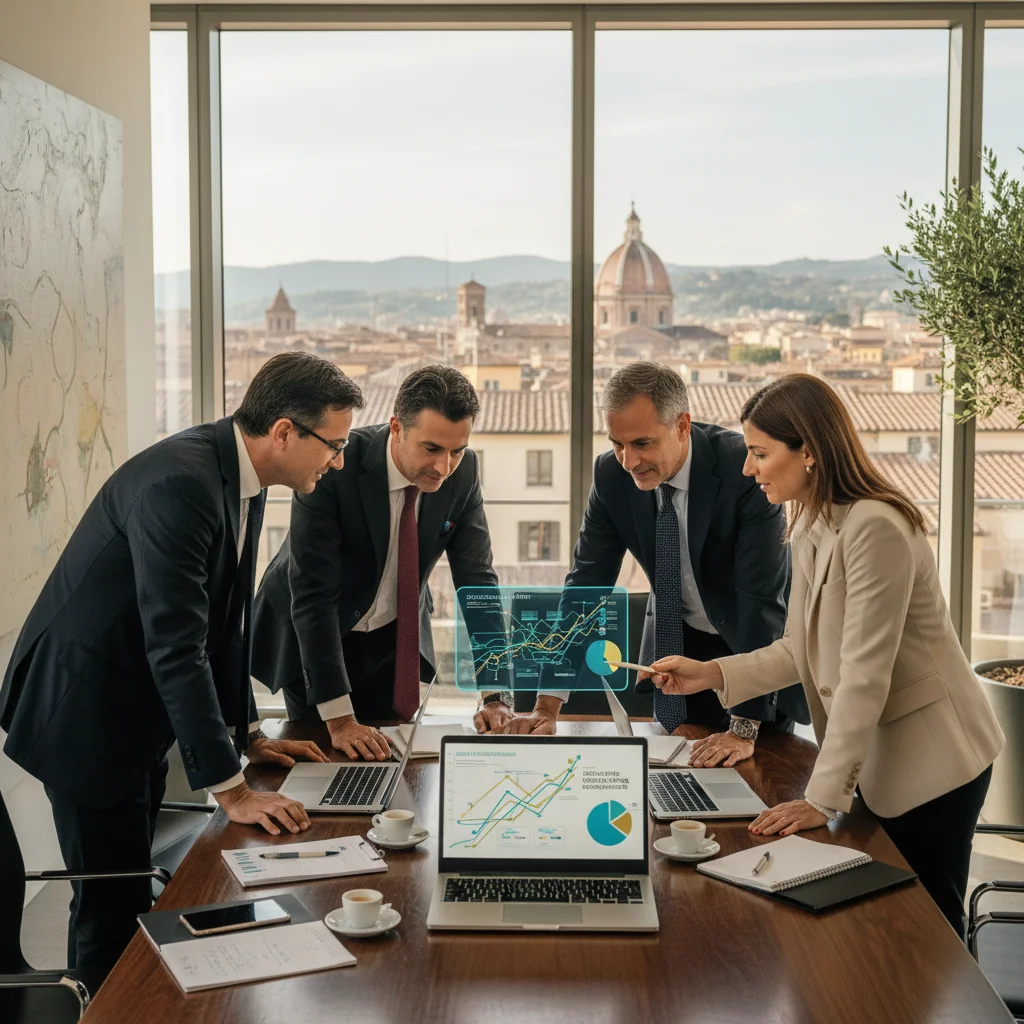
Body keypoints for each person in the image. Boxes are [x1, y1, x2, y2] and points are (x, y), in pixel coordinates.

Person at [0, 352, 363, 986]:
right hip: (83, 712)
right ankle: (101, 1005)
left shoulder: (239, 474)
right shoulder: (183, 483)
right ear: (284, 432)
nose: (336, 461)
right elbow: (176, 645)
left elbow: (227, 625)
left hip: (131, 709)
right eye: (332, 445)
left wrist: (248, 734)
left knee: (133, 889)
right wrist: (232, 790)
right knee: (109, 904)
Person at [648, 372, 1004, 937]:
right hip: (885, 757)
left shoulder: (876, 527)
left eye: (761, 453)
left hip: (937, 760)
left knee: (930, 931)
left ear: (808, 451)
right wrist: (710, 673)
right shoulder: (814, 521)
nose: (748, 468)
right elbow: (799, 649)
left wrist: (821, 799)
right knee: (887, 930)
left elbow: (865, 675)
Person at [475, 361, 808, 761]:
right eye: (618, 443)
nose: (628, 460)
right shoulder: (611, 476)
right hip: (679, 650)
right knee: (676, 784)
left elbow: (760, 601)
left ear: (682, 426)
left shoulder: (745, 470)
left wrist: (743, 727)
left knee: (757, 784)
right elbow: (585, 587)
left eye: (642, 443)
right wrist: (546, 707)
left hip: (756, 655)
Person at [252, 364, 500, 760]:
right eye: (432, 448)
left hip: (392, 635)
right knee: (325, 759)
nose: (443, 467)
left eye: (457, 450)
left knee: (391, 761)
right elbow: (313, 596)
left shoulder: (463, 473)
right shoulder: (334, 464)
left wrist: (495, 693)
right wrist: (338, 718)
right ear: (397, 428)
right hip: (315, 631)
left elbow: (478, 583)